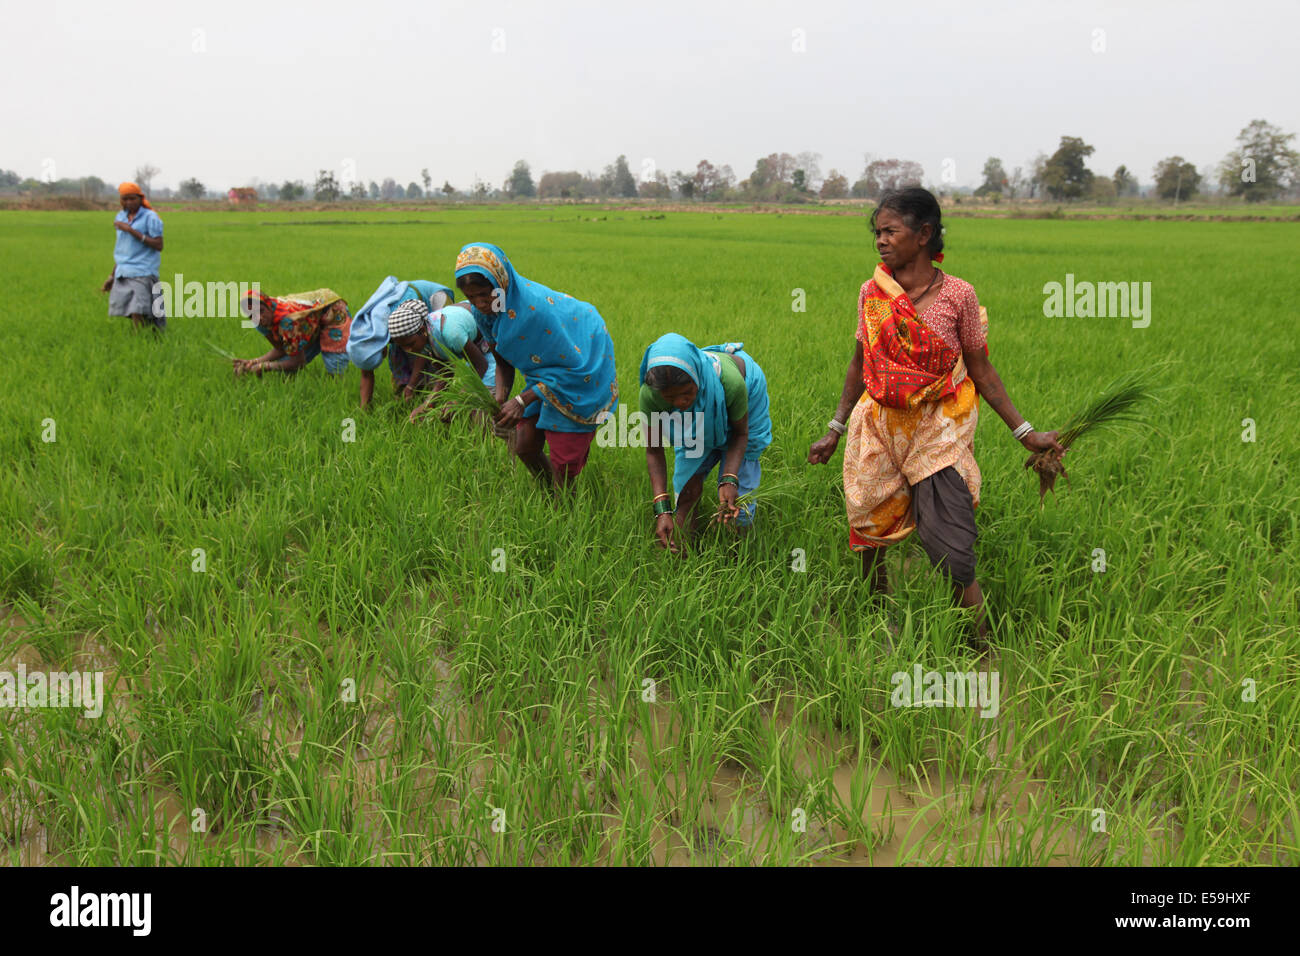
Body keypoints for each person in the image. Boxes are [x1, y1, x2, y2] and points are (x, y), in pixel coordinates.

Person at [807, 187, 1064, 645]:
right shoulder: (873, 292)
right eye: (877, 233)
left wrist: (1025, 433)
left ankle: (977, 641)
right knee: (868, 522)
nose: (881, 241)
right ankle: (874, 613)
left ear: (924, 234)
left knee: (949, 540)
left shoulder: (958, 295)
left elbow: (980, 368)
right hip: (880, 421)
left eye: (891, 231)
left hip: (938, 424)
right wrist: (835, 427)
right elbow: (859, 362)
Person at [454, 242, 618, 488]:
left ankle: (565, 502)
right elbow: (502, 361)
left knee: (565, 458)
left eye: (484, 294)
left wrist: (521, 401)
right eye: (471, 297)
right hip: (546, 372)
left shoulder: (534, 312)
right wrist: (499, 400)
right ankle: (550, 491)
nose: (479, 303)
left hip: (581, 363)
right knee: (525, 446)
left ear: (500, 282)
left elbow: (571, 367)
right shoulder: (484, 314)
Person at [639, 334, 772, 552]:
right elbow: (654, 451)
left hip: (747, 400)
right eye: (671, 399)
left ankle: (738, 555)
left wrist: (729, 479)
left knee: (737, 502)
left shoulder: (731, 383)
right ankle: (682, 557)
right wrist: (662, 510)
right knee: (686, 493)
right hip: (696, 421)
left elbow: (740, 434)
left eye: (687, 393)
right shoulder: (652, 395)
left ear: (697, 376)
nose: (680, 403)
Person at [347, 277, 458, 408]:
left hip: (433, 298)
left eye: (380, 356)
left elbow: (423, 350)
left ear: (380, 347)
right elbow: (366, 373)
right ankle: (408, 395)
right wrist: (364, 407)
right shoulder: (366, 338)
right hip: (406, 325)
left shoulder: (397, 324)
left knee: (436, 349)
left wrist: (411, 385)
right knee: (398, 356)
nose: (382, 358)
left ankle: (436, 396)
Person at [385, 299, 497, 424]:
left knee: (481, 406)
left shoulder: (451, 334)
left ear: (422, 331)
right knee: (465, 406)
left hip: (491, 345)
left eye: (410, 344)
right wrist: (427, 404)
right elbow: (446, 373)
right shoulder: (427, 339)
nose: (409, 350)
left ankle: (493, 438)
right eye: (403, 347)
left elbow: (481, 365)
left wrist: (458, 400)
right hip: (476, 351)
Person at [234, 289, 352, 377]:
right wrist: (254, 362)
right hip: (309, 321)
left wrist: (264, 366)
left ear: (268, 305)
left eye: (261, 311)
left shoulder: (287, 323)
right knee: (284, 370)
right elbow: (281, 348)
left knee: (335, 371)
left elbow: (297, 361)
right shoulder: (259, 322)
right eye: (252, 315)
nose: (259, 317)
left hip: (331, 310)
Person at [100, 182, 165, 331]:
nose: (129, 202)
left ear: (140, 198)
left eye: (132, 198)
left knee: (138, 309)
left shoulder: (150, 217)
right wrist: (112, 276)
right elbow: (123, 249)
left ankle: (141, 337)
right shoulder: (121, 217)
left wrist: (131, 230)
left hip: (143, 270)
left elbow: (158, 245)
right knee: (130, 309)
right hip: (124, 271)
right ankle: (145, 336)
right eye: (125, 199)